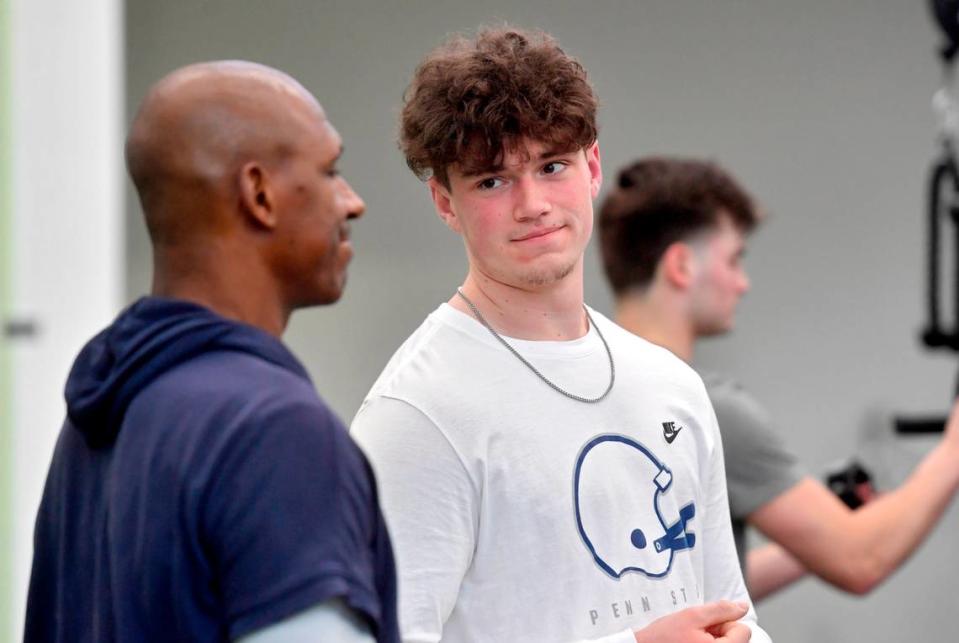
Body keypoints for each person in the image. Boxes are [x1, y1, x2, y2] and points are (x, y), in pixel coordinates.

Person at [350, 28, 768, 643]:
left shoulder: (671, 384)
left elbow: (733, 615)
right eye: (492, 180)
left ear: (592, 166)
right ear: (444, 201)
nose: (533, 204)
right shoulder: (417, 415)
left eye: (552, 167)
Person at [25, 61, 399, 643]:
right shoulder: (275, 432)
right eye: (330, 171)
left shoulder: (94, 424)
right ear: (259, 194)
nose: (352, 203)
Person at [598, 156, 959, 602]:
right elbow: (861, 559)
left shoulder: (588, 393)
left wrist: (804, 544)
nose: (743, 283)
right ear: (681, 266)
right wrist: (953, 451)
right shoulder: (706, 408)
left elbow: (685, 585)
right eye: (734, 260)